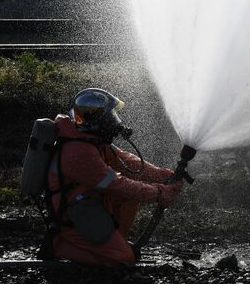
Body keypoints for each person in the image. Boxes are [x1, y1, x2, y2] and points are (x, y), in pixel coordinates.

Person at [45, 88, 182, 265]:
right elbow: (116, 184)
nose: (115, 123)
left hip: (87, 200)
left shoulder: (89, 139)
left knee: (129, 198)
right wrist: (158, 193)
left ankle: (111, 242)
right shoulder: (78, 152)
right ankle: (59, 246)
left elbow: (127, 161)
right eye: (110, 118)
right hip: (72, 214)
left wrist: (163, 176)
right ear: (94, 120)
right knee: (123, 259)